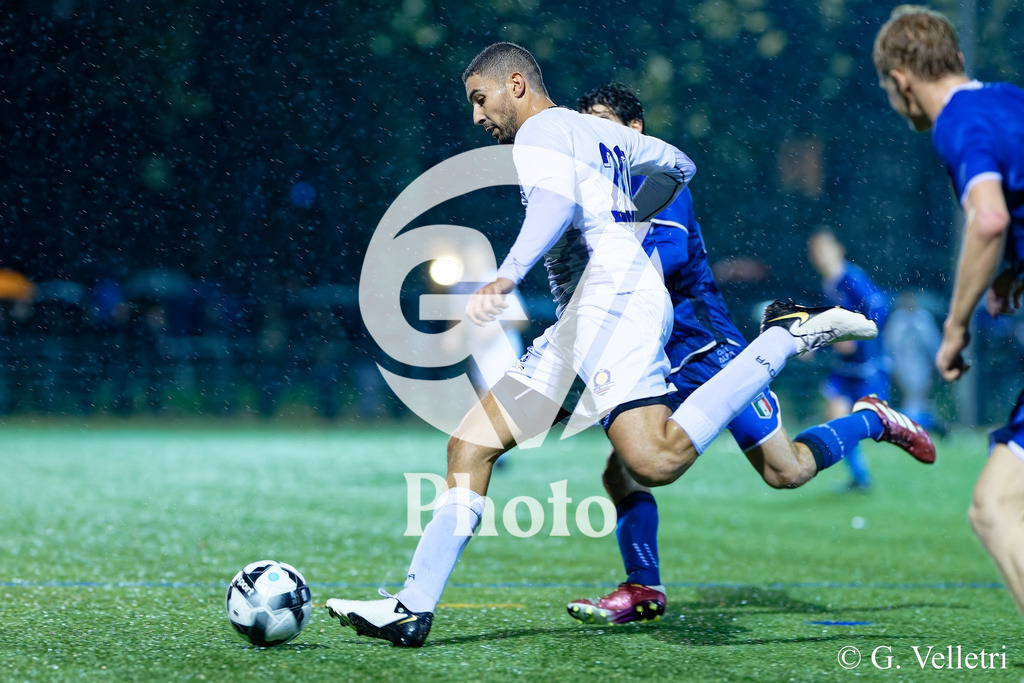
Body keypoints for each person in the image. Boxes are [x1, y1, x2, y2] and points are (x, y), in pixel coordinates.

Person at [325, 42, 877, 647]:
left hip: (615, 308)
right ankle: (411, 607)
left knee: (652, 462)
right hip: (583, 318)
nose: (477, 117)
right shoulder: (593, 133)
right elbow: (681, 166)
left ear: (515, 83)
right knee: (471, 445)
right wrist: (624, 217)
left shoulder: (539, 135)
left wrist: (507, 272)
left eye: (480, 100)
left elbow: (556, 208)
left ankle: (782, 339)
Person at [565, 83, 935, 625]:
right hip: (657, 360)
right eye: (585, 126)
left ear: (635, 131)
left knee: (786, 473)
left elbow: (663, 259)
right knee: (622, 472)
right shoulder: (594, 195)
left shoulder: (659, 178)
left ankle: (871, 421)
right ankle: (643, 587)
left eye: (602, 123)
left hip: (709, 352)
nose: (593, 137)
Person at [874, 4, 1024, 615]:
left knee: (995, 509)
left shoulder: (958, 124)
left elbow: (988, 216)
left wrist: (955, 328)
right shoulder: (1010, 99)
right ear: (956, 59)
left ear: (901, 81)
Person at [807, 227, 892, 491]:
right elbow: (834, 328)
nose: (819, 256)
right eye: (814, 251)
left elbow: (879, 305)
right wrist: (815, 346)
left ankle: (927, 419)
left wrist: (859, 336)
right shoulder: (828, 284)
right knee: (837, 418)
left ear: (838, 249)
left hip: (867, 368)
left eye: (824, 249)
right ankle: (860, 478)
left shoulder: (851, 278)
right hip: (845, 369)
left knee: (881, 424)